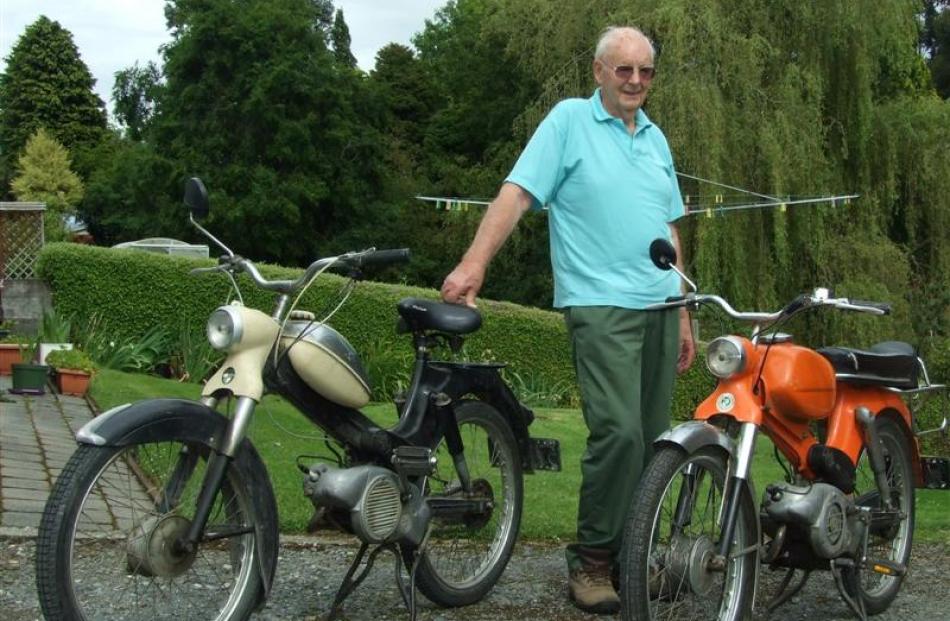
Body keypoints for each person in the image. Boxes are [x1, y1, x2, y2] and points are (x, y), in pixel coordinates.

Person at [440, 26, 695, 614]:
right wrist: (474, 265)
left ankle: (634, 559)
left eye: (645, 72)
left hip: (660, 304)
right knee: (618, 433)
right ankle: (592, 562)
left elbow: (669, 227)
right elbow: (517, 194)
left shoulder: (656, 139)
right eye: (624, 69)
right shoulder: (568, 122)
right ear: (599, 72)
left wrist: (683, 311)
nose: (635, 81)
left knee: (655, 441)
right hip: (601, 302)